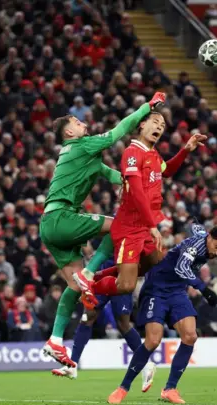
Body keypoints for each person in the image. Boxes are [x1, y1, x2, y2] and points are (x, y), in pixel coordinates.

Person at [40, 92, 166, 367]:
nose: (81, 121)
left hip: (48, 225)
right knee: (118, 225)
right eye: (76, 121)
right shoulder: (83, 145)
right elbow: (118, 133)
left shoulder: (81, 157)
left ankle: (55, 340)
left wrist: (134, 180)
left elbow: (113, 174)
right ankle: (89, 272)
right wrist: (146, 105)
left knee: (73, 288)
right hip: (63, 217)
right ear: (69, 131)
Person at [107, 225, 217, 405]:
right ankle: (123, 388)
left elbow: (197, 228)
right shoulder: (194, 247)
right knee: (153, 340)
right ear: (211, 238)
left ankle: (170, 389)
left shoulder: (205, 238)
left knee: (190, 336)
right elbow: (182, 267)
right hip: (156, 289)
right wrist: (203, 289)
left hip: (176, 291)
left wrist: (197, 226)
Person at [89, 113, 206, 300]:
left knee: (158, 261)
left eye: (162, 125)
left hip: (145, 224)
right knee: (127, 285)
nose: (159, 127)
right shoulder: (132, 152)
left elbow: (166, 171)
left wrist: (186, 150)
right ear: (142, 125)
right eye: (155, 122)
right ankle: (91, 288)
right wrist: (153, 226)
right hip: (130, 227)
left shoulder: (152, 153)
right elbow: (136, 192)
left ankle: (97, 276)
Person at [52, 261, 144, 381]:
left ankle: (145, 363)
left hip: (122, 276)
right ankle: (72, 364)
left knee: (123, 324)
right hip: (102, 275)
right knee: (87, 318)